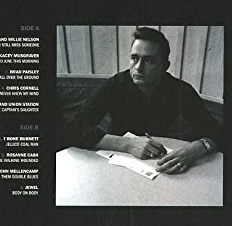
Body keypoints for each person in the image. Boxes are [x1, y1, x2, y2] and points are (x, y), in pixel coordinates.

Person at [60, 27, 222, 175]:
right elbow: (70, 131)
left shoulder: (180, 90)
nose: (138, 67)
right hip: (115, 163)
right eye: (134, 58)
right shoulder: (115, 85)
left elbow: (218, 133)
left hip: (156, 165)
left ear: (165, 66)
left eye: (149, 61)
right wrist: (127, 144)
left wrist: (197, 149)